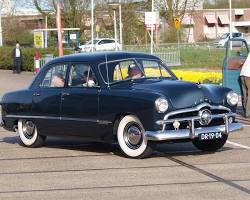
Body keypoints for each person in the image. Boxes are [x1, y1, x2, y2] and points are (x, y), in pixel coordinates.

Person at [240, 52, 250, 118]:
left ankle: (245, 110)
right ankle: (248, 113)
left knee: (245, 94)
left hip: (242, 74)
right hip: (248, 75)